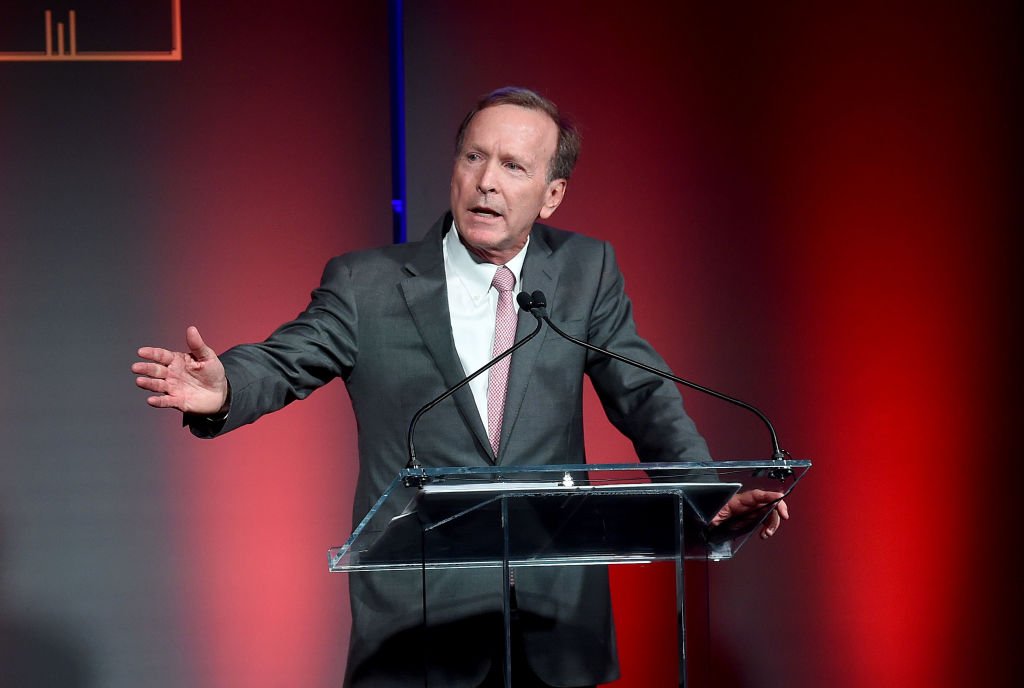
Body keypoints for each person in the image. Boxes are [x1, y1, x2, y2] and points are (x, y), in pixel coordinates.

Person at [132, 87, 787, 687]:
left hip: (551, 622)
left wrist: (708, 493)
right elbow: (287, 359)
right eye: (474, 157)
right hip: (419, 627)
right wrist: (224, 389)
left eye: (512, 166)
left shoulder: (585, 272)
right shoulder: (369, 285)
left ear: (551, 194)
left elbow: (644, 398)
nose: (486, 182)